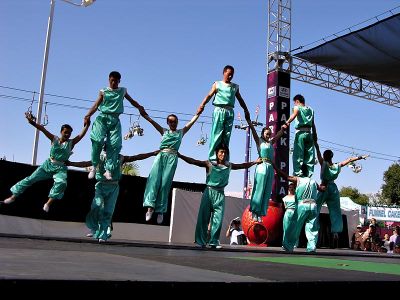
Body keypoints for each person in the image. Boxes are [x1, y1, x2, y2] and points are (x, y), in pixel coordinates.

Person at [1, 112, 90, 212]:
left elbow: (81, 135)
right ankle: (13, 197)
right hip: (47, 165)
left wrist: (87, 125)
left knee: (62, 183)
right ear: (61, 132)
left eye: (69, 133)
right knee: (30, 179)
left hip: (60, 168)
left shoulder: (71, 143)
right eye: (65, 132)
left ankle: (48, 203)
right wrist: (31, 123)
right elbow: (43, 129)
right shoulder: (54, 139)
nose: (67, 135)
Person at [178, 144, 261, 248]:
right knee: (204, 218)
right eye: (221, 152)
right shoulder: (210, 164)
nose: (223, 154)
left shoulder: (228, 165)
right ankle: (200, 241)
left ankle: (214, 241)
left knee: (218, 219)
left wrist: (254, 162)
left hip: (220, 194)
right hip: (209, 192)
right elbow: (193, 161)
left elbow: (242, 165)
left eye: (225, 152)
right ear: (217, 153)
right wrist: (180, 156)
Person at [66, 149, 158, 242]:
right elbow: (86, 163)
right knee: (97, 205)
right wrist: (71, 164)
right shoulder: (100, 158)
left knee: (108, 211)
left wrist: (152, 153)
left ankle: (103, 234)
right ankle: (95, 228)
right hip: (101, 185)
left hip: (113, 187)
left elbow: (137, 157)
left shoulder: (120, 158)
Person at [140, 110, 201, 224]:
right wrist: (144, 115)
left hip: (172, 157)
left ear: (177, 122)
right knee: (153, 181)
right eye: (171, 121)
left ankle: (161, 210)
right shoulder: (164, 131)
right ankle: (150, 208)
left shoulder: (180, 132)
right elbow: (152, 121)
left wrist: (198, 113)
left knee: (165, 184)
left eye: (175, 121)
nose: (173, 123)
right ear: (167, 122)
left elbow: (191, 123)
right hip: (161, 155)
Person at [83, 71, 145, 180]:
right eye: (112, 80)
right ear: (109, 79)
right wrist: (87, 115)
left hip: (115, 120)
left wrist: (140, 107)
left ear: (119, 81)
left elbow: (132, 101)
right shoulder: (103, 91)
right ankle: (94, 165)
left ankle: (108, 170)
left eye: (116, 81)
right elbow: (96, 105)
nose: (113, 83)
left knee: (114, 145)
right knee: (97, 140)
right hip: (102, 118)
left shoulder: (122, 91)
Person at [314, 138, 368, 241]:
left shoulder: (323, 164)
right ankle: (336, 232)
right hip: (333, 189)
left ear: (325, 156)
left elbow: (318, 154)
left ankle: (314, 228)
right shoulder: (337, 166)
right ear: (332, 157)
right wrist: (360, 157)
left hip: (323, 187)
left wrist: (316, 144)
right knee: (335, 211)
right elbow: (349, 160)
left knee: (316, 207)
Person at [197, 65, 251, 160]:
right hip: (219, 110)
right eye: (229, 74)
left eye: (232, 75)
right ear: (224, 73)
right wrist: (202, 105)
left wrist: (246, 110)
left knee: (226, 135)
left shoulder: (235, 87)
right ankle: (213, 158)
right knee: (217, 133)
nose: (230, 76)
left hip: (229, 111)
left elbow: (240, 99)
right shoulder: (217, 84)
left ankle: (224, 157)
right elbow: (209, 95)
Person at [271, 162, 326, 252]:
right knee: (312, 228)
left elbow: (286, 177)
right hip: (313, 206)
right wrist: (325, 182)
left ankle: (288, 246)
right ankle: (312, 247)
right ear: (308, 172)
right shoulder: (313, 181)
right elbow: (322, 189)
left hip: (303, 205)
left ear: (301, 172)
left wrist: (275, 168)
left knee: (295, 226)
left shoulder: (298, 179)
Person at [248, 124, 285, 221]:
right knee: (259, 189)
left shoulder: (270, 142)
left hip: (270, 167)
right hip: (262, 165)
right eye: (267, 134)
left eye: (270, 134)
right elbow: (254, 132)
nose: (268, 136)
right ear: (263, 134)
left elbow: (277, 136)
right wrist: (251, 125)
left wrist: (283, 128)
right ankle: (254, 212)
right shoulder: (259, 141)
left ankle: (260, 213)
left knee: (267, 191)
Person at [281, 94, 316, 177]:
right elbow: (313, 124)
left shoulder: (297, 107)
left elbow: (294, 114)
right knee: (310, 155)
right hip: (309, 134)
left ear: (297, 101)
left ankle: (298, 173)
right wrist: (315, 135)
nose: (294, 105)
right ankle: (309, 173)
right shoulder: (311, 109)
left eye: (294, 103)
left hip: (300, 133)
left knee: (298, 154)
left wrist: (287, 122)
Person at [282, 182, 297, 252]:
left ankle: (290, 244)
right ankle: (288, 244)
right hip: (291, 212)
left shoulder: (295, 197)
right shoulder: (286, 198)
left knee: (290, 229)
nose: (291, 189)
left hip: (290, 212)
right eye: (290, 188)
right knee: (289, 229)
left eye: (292, 188)